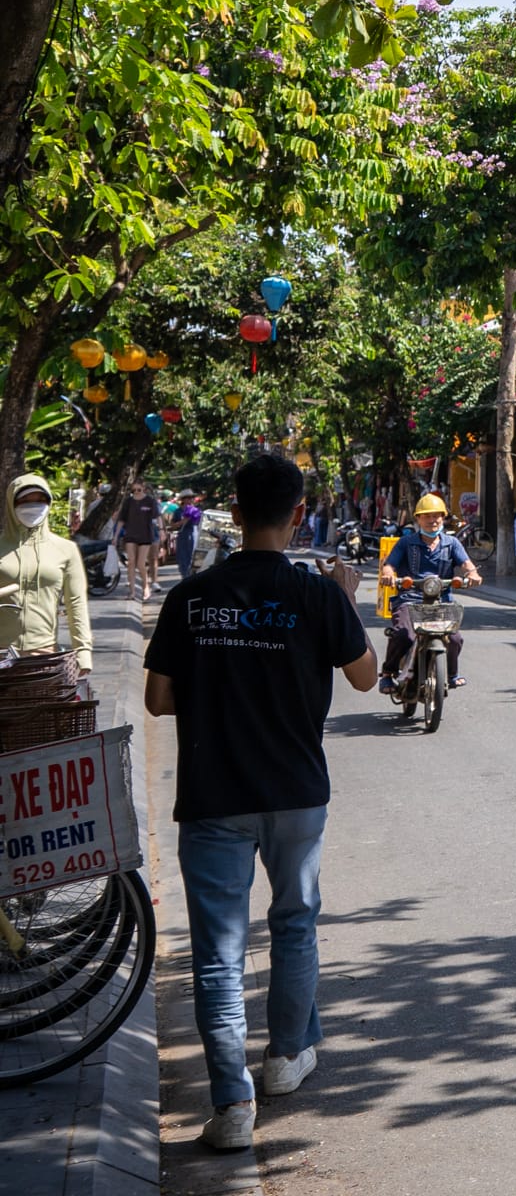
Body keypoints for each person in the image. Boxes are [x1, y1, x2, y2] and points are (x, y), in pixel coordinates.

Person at [144, 451, 377, 1152]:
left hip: (212, 795)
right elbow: (365, 678)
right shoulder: (318, 595)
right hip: (296, 795)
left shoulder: (191, 597)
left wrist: (221, 681)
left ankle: (232, 1105)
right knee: (295, 922)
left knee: (219, 954)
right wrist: (348, 596)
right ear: (299, 514)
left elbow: (157, 700)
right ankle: (285, 1059)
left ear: (236, 513)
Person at [377, 494, 479, 693]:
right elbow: (389, 565)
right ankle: (388, 673)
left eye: (436, 516)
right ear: (418, 519)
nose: (432, 520)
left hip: (441, 601)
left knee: (455, 639)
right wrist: (388, 574)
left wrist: (473, 574)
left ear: (443, 518)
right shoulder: (406, 543)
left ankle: (451, 675)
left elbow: (467, 564)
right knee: (403, 635)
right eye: (427, 516)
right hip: (409, 599)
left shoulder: (452, 543)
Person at [1, 472, 94, 690]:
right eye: (24, 501)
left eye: (39, 500)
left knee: (42, 710)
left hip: (44, 654)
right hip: (1, 653)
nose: (32, 506)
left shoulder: (66, 549)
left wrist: (83, 651)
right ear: (11, 504)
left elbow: (76, 603)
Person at [117, 474, 162, 600]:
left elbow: (158, 517)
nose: (136, 492)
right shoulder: (128, 502)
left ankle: (145, 586)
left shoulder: (150, 501)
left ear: (143, 488)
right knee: (131, 562)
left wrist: (161, 530)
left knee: (141, 563)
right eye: (134, 490)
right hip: (130, 534)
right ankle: (132, 592)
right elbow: (121, 520)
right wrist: (115, 536)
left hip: (145, 535)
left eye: (139, 489)